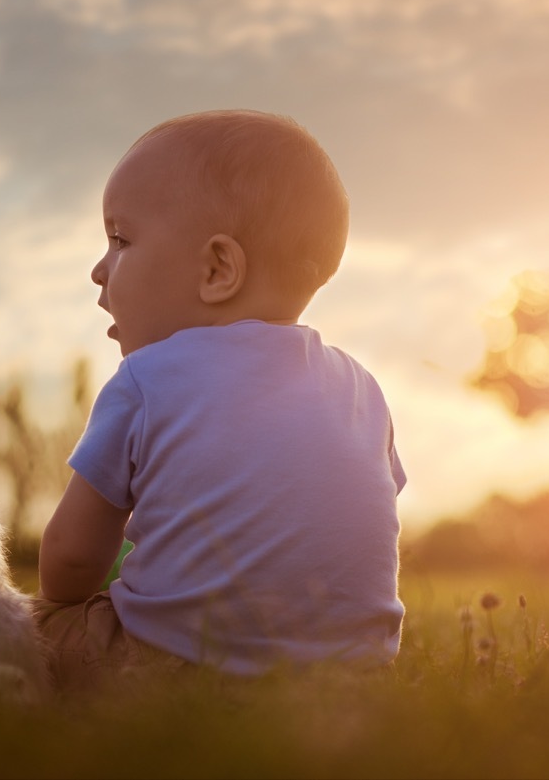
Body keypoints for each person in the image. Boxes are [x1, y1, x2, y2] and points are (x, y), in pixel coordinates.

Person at [34, 109, 406, 695]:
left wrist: (61, 607)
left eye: (120, 239)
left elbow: (70, 560)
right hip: (348, 684)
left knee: (32, 628)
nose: (98, 269)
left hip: (169, 672)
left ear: (218, 269)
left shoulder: (147, 378)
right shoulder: (362, 390)